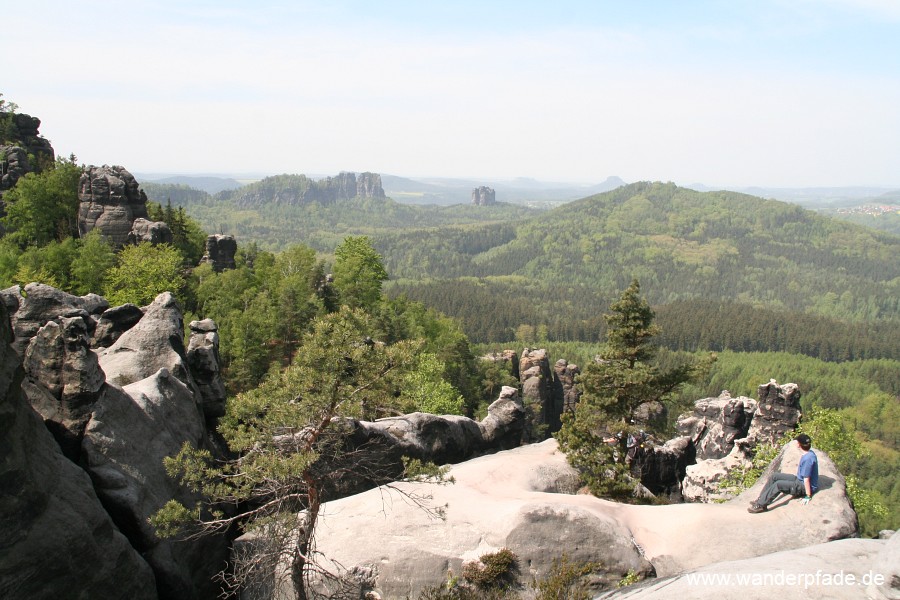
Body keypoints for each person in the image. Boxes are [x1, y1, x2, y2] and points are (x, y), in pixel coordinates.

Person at [748, 433, 818, 513]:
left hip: (803, 487)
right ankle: (761, 498)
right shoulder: (809, 453)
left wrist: (808, 496)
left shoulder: (808, 459)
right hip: (799, 480)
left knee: (779, 485)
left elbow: (806, 479)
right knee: (775, 476)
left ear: (799, 445)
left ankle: (760, 505)